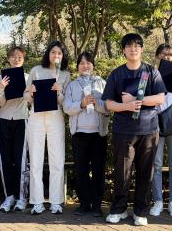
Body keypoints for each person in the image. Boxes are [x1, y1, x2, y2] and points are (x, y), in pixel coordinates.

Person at [103, 33, 166, 226]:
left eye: (137, 45)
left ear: (141, 49)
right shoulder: (117, 74)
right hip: (123, 130)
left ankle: (140, 211)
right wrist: (126, 106)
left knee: (146, 172)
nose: (133, 49)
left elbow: (160, 98)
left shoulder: (151, 72)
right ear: (123, 50)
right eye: (129, 46)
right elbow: (109, 104)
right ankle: (119, 209)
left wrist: (137, 101)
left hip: (149, 129)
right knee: (122, 171)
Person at [24, 41, 71, 215]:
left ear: (63, 56)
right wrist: (31, 92)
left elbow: (66, 102)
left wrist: (59, 92)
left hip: (55, 116)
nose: (56, 55)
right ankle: (37, 202)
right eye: (53, 52)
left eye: (59, 53)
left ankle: (56, 201)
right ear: (48, 54)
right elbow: (26, 96)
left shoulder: (65, 74)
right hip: (36, 116)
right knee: (35, 160)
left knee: (57, 160)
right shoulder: (36, 70)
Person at [63, 51, 109, 217]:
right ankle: (83, 204)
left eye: (88, 63)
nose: (85, 66)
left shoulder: (102, 83)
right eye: (81, 63)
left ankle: (96, 205)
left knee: (98, 170)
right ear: (77, 67)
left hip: (98, 134)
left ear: (93, 66)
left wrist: (97, 103)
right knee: (80, 170)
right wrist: (81, 104)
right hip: (79, 134)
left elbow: (109, 107)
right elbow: (67, 108)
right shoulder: (72, 86)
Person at [149, 44, 172, 218]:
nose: (167, 57)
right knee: (156, 164)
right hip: (155, 124)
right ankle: (157, 201)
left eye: (170, 54)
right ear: (158, 56)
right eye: (164, 54)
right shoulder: (150, 74)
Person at [0, 46, 29, 213]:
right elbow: (0, 103)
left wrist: (28, 91)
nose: (16, 59)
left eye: (20, 56)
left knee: (21, 160)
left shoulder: (28, 77)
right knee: (5, 160)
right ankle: (9, 196)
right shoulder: (0, 77)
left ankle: (22, 197)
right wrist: (1, 88)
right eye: (13, 56)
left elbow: (30, 101)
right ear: (8, 59)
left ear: (23, 59)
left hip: (22, 119)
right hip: (3, 119)